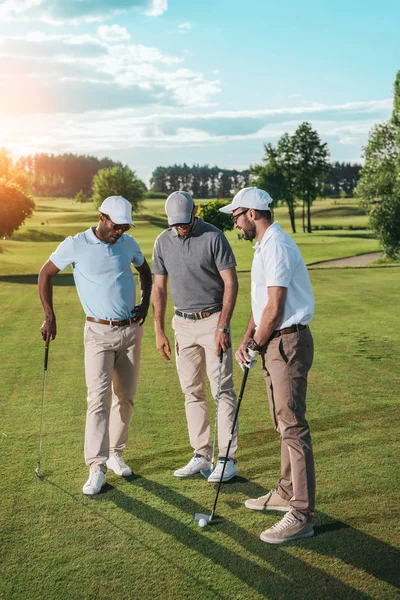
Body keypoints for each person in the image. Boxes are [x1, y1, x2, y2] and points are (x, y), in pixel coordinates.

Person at [38, 195, 152, 496]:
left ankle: (116, 453)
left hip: (130, 332)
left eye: (125, 227)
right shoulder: (76, 244)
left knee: (125, 398)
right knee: (97, 399)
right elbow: (45, 274)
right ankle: (97, 467)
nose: (121, 232)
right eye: (117, 226)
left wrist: (145, 303)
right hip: (98, 334)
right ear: (102, 217)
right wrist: (49, 317)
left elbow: (145, 271)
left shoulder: (128, 245)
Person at [220, 187, 316, 543]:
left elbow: (275, 307)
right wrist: (248, 339)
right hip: (274, 340)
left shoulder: (276, 246)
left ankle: (302, 514)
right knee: (282, 423)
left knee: (293, 427)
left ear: (253, 213)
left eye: (236, 216)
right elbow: (261, 307)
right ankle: (286, 492)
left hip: (287, 342)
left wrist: (256, 346)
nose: (235, 223)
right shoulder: (264, 246)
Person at [152, 191, 239, 482]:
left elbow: (231, 283)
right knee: (192, 391)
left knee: (221, 391)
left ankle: (227, 458)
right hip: (182, 324)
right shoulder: (162, 241)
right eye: (176, 223)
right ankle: (202, 455)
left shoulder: (214, 237)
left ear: (195, 211)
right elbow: (159, 289)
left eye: (185, 221)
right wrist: (159, 329)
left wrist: (223, 326)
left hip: (213, 320)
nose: (181, 227)